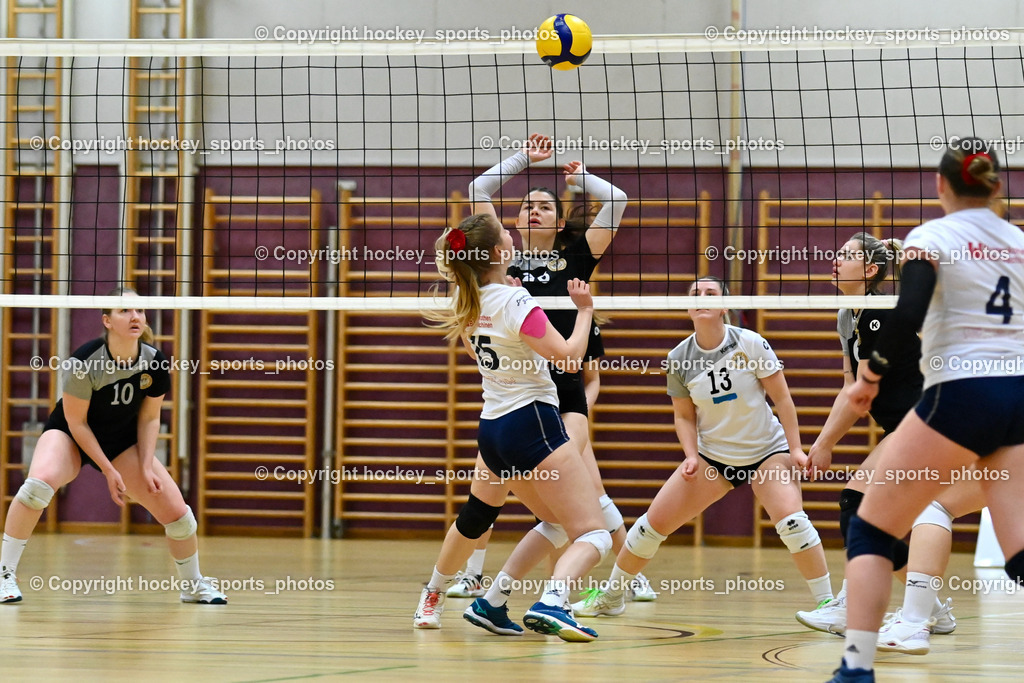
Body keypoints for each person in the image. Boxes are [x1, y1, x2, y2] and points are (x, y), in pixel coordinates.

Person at [829, 140, 1024, 682]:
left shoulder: (931, 238)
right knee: (1019, 552)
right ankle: (919, 616)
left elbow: (906, 310)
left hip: (961, 393)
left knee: (871, 526)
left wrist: (868, 378)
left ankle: (855, 669)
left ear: (940, 187)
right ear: (996, 187)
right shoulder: (1018, 240)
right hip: (1020, 395)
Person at [447, 134, 657, 602]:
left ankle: (562, 591)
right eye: (527, 205)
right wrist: (523, 159)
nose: (535, 209)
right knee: (500, 489)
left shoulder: (577, 254)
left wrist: (578, 178)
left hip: (563, 392)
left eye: (545, 205)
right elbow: (478, 191)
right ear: (514, 222)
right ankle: (512, 586)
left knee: (572, 499)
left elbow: (618, 201)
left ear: (560, 219)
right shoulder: (501, 260)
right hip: (518, 392)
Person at [571, 276, 834, 618]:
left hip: (767, 452)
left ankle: (829, 604)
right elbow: (683, 416)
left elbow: (783, 400)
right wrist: (691, 456)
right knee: (649, 528)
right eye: (696, 293)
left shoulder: (750, 343)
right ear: (688, 307)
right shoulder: (679, 357)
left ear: (725, 306)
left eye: (711, 293)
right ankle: (613, 596)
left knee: (793, 524)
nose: (702, 297)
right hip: (714, 457)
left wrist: (797, 450)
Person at [413, 214, 611, 641]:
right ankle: (553, 602)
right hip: (533, 424)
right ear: (501, 253)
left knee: (552, 521)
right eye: (506, 232)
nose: (512, 233)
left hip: (493, 429)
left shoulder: (470, 301)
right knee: (595, 534)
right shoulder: (515, 301)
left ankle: (493, 601)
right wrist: (584, 312)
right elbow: (569, 360)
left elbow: (478, 347)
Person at [0, 288, 226, 605]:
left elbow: (149, 419)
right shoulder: (85, 361)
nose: (134, 317)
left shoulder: (154, 363)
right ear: (107, 321)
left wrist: (146, 466)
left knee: (180, 517)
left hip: (121, 439)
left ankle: (193, 585)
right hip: (71, 433)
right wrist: (108, 470)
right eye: (124, 311)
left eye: (139, 311)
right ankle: (4, 575)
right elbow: (77, 422)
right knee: (36, 488)